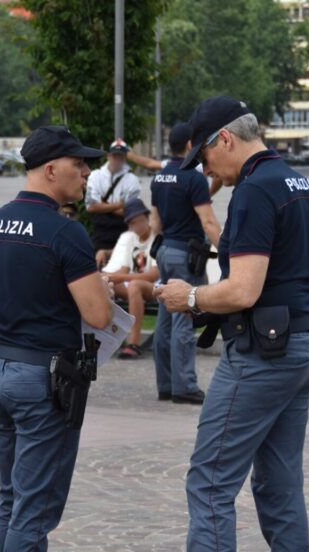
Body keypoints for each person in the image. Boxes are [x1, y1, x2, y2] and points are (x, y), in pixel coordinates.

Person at [139, 97, 309, 552]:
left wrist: (188, 296)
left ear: (225, 140)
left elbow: (243, 289)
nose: (204, 171)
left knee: (211, 481)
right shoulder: (296, 182)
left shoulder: (252, 191)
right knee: (279, 489)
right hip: (303, 342)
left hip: (264, 354)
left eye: (204, 157)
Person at [0, 125, 112, 552]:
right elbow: (96, 314)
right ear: (51, 169)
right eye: (80, 164)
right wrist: (100, 287)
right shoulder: (64, 232)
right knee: (33, 506)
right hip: (42, 380)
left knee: (10, 499)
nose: (87, 172)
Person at [150, 122, 223, 404]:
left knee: (164, 320)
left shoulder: (160, 177)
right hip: (186, 254)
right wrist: (227, 251)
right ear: (191, 145)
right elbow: (207, 220)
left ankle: (166, 384)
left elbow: (155, 221)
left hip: (165, 249)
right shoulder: (193, 178)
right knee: (184, 316)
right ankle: (185, 386)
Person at [103, 198, 160, 359]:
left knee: (134, 285)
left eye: (140, 220)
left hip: (153, 287)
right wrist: (109, 278)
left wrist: (120, 276)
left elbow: (154, 275)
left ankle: (133, 343)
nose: (137, 226)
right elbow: (124, 269)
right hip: (133, 287)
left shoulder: (156, 238)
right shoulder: (131, 239)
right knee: (106, 283)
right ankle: (104, 338)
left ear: (147, 218)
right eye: (133, 223)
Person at [85, 138, 141, 267]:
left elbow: (130, 213)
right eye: (115, 155)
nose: (118, 159)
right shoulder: (95, 176)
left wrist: (103, 205)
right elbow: (91, 207)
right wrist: (119, 205)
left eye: (121, 156)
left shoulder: (132, 180)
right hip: (100, 234)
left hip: (123, 231)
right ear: (109, 155)